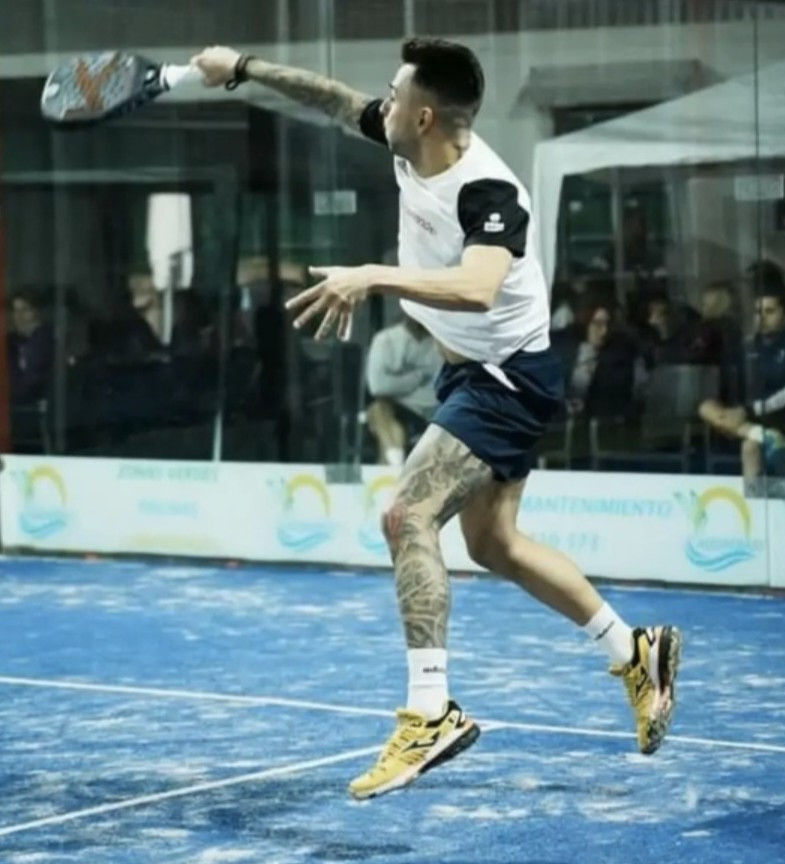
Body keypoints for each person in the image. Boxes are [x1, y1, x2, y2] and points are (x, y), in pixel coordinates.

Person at [193, 38, 681, 801]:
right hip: (473, 371)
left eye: (394, 96)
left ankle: (430, 712)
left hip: (504, 378)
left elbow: (479, 287)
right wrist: (245, 68)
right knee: (494, 544)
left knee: (406, 515)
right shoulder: (406, 142)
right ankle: (634, 650)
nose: (380, 104)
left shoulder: (489, 192)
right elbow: (329, 98)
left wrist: (371, 276)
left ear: (423, 116)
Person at [699, 286, 785, 477]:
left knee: (750, 447)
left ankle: (760, 440)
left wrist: (748, 410)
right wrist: (733, 412)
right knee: (706, 406)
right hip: (747, 417)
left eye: (769, 312)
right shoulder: (749, 344)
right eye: (757, 312)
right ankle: (763, 435)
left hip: (783, 417)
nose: (761, 318)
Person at [366, 316, 442, 466]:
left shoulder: (442, 345)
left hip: (434, 413)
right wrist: (416, 378)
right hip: (398, 407)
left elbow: (439, 389)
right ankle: (395, 464)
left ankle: (394, 468)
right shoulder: (385, 340)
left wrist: (397, 383)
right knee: (379, 411)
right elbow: (378, 386)